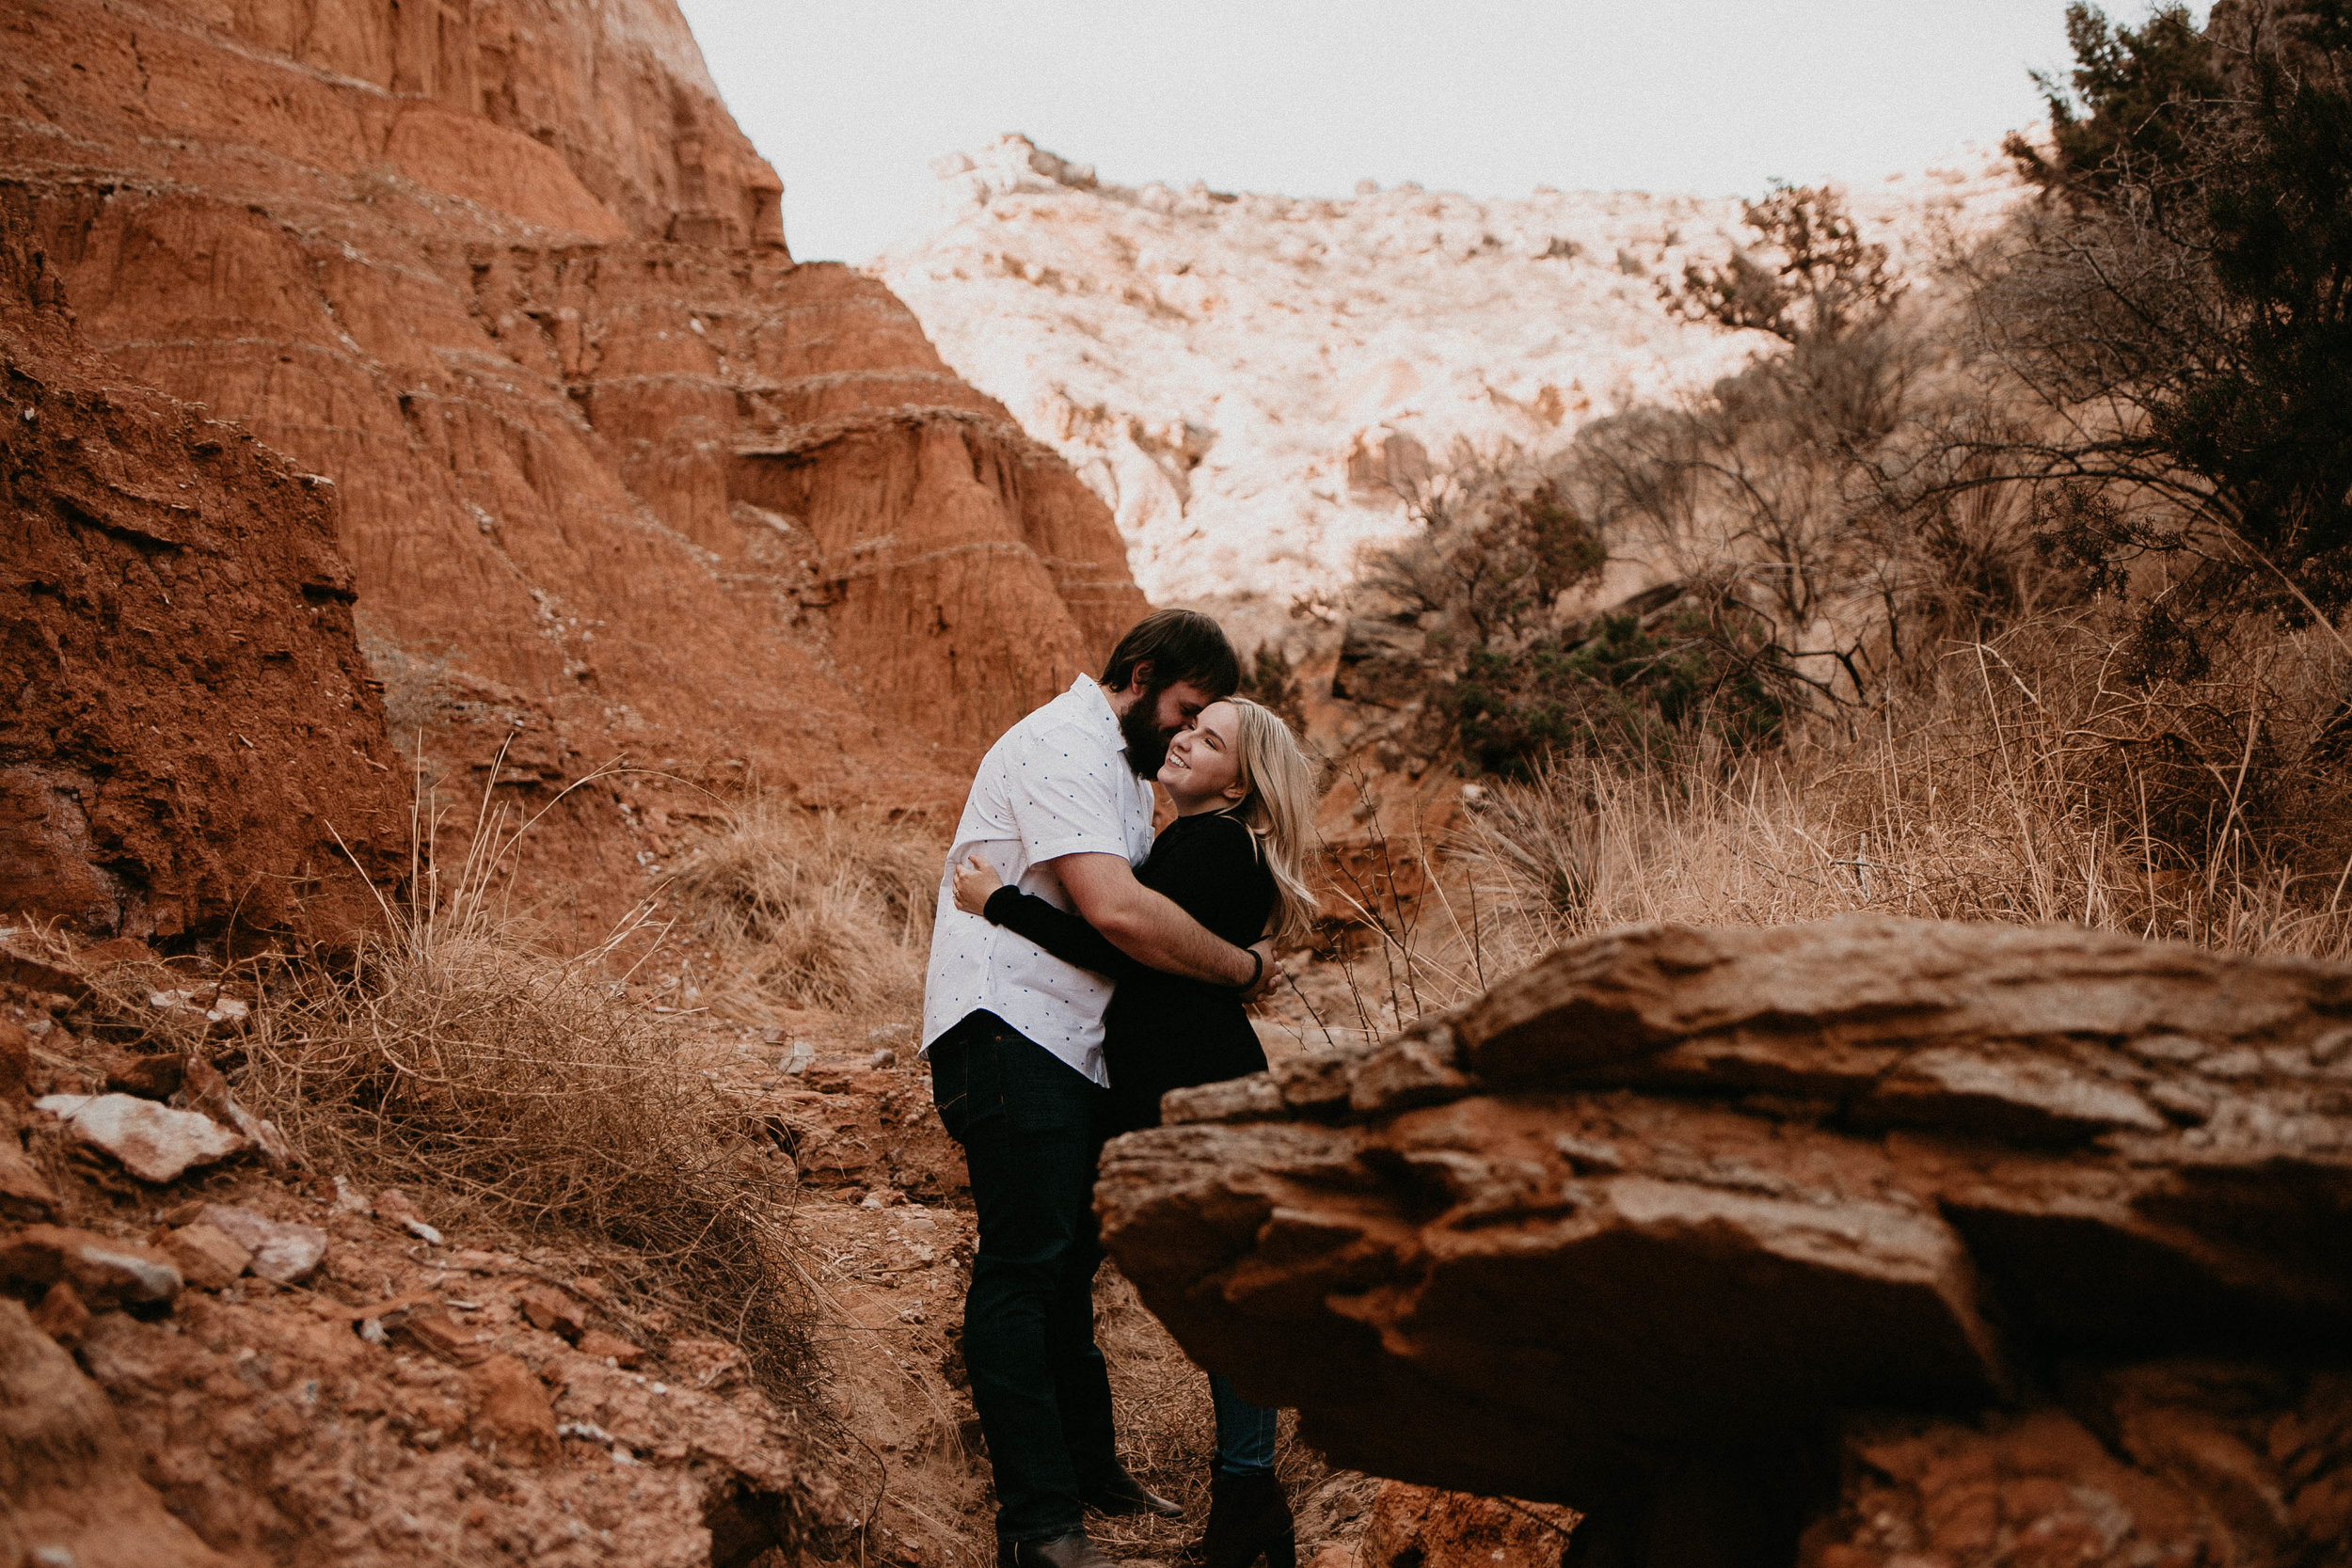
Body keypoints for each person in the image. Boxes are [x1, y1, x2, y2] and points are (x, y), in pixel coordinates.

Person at [922, 610, 1278, 1568]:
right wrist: (1242, 969)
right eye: (1185, 711)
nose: (1182, 734)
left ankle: (1089, 1472)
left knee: (1066, 1264)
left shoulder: (1126, 773)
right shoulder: (1061, 744)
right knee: (1025, 1264)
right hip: (1007, 1028)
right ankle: (1039, 1524)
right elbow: (1119, 915)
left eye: (1204, 728)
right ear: (1142, 673)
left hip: (1067, 1043)